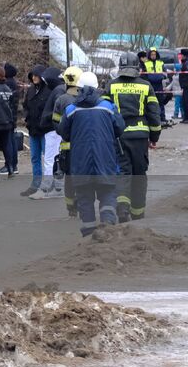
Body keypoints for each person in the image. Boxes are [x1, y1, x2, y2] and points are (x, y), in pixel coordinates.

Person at [57, 78, 126, 237]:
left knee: (84, 198)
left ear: (79, 89)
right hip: (105, 159)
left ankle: (89, 236)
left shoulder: (71, 109)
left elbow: (63, 132)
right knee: (108, 193)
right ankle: (108, 228)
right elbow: (120, 128)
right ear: (97, 88)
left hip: (80, 163)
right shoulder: (108, 107)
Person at [102, 58, 162, 222]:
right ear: (137, 68)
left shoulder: (111, 85)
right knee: (139, 174)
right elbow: (154, 114)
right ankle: (138, 214)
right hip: (140, 137)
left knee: (122, 172)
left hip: (119, 137)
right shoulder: (145, 86)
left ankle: (122, 208)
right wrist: (154, 137)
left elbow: (105, 112)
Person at [42, 67, 84, 212]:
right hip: (83, 146)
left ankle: (71, 207)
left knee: (70, 178)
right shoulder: (84, 98)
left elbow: (56, 122)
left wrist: (65, 133)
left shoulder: (61, 99)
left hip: (67, 146)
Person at [21, 66, 55, 196]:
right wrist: (26, 117)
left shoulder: (49, 90)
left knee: (48, 159)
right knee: (35, 158)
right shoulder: (30, 90)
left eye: (36, 75)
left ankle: (48, 184)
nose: (34, 77)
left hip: (45, 130)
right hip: (33, 129)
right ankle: (35, 184)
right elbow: (25, 105)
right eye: (32, 75)